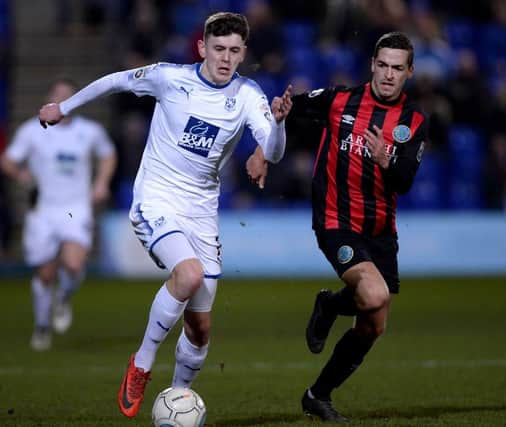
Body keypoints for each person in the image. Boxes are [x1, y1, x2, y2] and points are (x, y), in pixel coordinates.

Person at [38, 12, 291, 418]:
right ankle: (141, 363)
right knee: (188, 275)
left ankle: (178, 399)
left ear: (244, 53)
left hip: (201, 211)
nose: (225, 58)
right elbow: (116, 80)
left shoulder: (248, 95)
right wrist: (64, 107)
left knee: (201, 328)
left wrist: (277, 125)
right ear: (201, 48)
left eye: (233, 51)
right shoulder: (169, 78)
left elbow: (274, 152)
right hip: (156, 198)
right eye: (218, 49)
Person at [247, 31, 427, 422]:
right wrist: (262, 150)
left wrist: (386, 160)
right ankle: (330, 304)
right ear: (372, 65)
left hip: (380, 230)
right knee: (375, 295)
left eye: (398, 68)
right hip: (335, 219)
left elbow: (407, 179)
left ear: (409, 73)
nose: (388, 75)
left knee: (373, 325)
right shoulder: (340, 100)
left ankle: (318, 393)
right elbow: (286, 114)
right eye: (383, 65)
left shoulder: (413, 122)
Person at [1, 77, 116, 351]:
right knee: (45, 273)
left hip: (75, 208)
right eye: (57, 96)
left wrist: (101, 182)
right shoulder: (32, 130)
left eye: (67, 96)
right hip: (43, 210)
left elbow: (108, 155)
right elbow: (8, 160)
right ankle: (42, 326)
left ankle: (63, 299)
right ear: (49, 100)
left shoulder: (90, 131)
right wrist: (21, 174)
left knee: (74, 264)